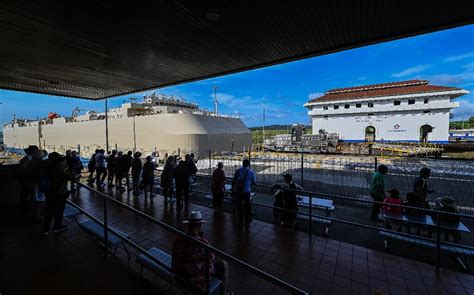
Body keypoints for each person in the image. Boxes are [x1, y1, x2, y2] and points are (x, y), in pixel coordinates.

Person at [172, 211, 232, 295]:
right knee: (224, 265)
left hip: (179, 276)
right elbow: (211, 259)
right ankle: (224, 293)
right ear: (200, 225)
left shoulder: (178, 239)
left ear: (188, 224)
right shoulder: (202, 243)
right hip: (194, 280)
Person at [42, 152, 71, 235]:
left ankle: (46, 229)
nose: (65, 163)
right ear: (60, 163)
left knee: (49, 211)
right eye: (64, 162)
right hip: (58, 194)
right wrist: (67, 172)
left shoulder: (48, 168)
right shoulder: (59, 172)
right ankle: (56, 227)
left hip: (50, 193)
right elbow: (68, 177)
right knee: (59, 211)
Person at [232, 159, 256, 224]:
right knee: (247, 205)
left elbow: (234, 180)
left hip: (238, 190)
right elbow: (254, 182)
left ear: (242, 164)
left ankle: (240, 218)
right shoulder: (251, 172)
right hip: (246, 191)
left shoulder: (238, 171)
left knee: (239, 204)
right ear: (248, 164)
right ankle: (247, 219)